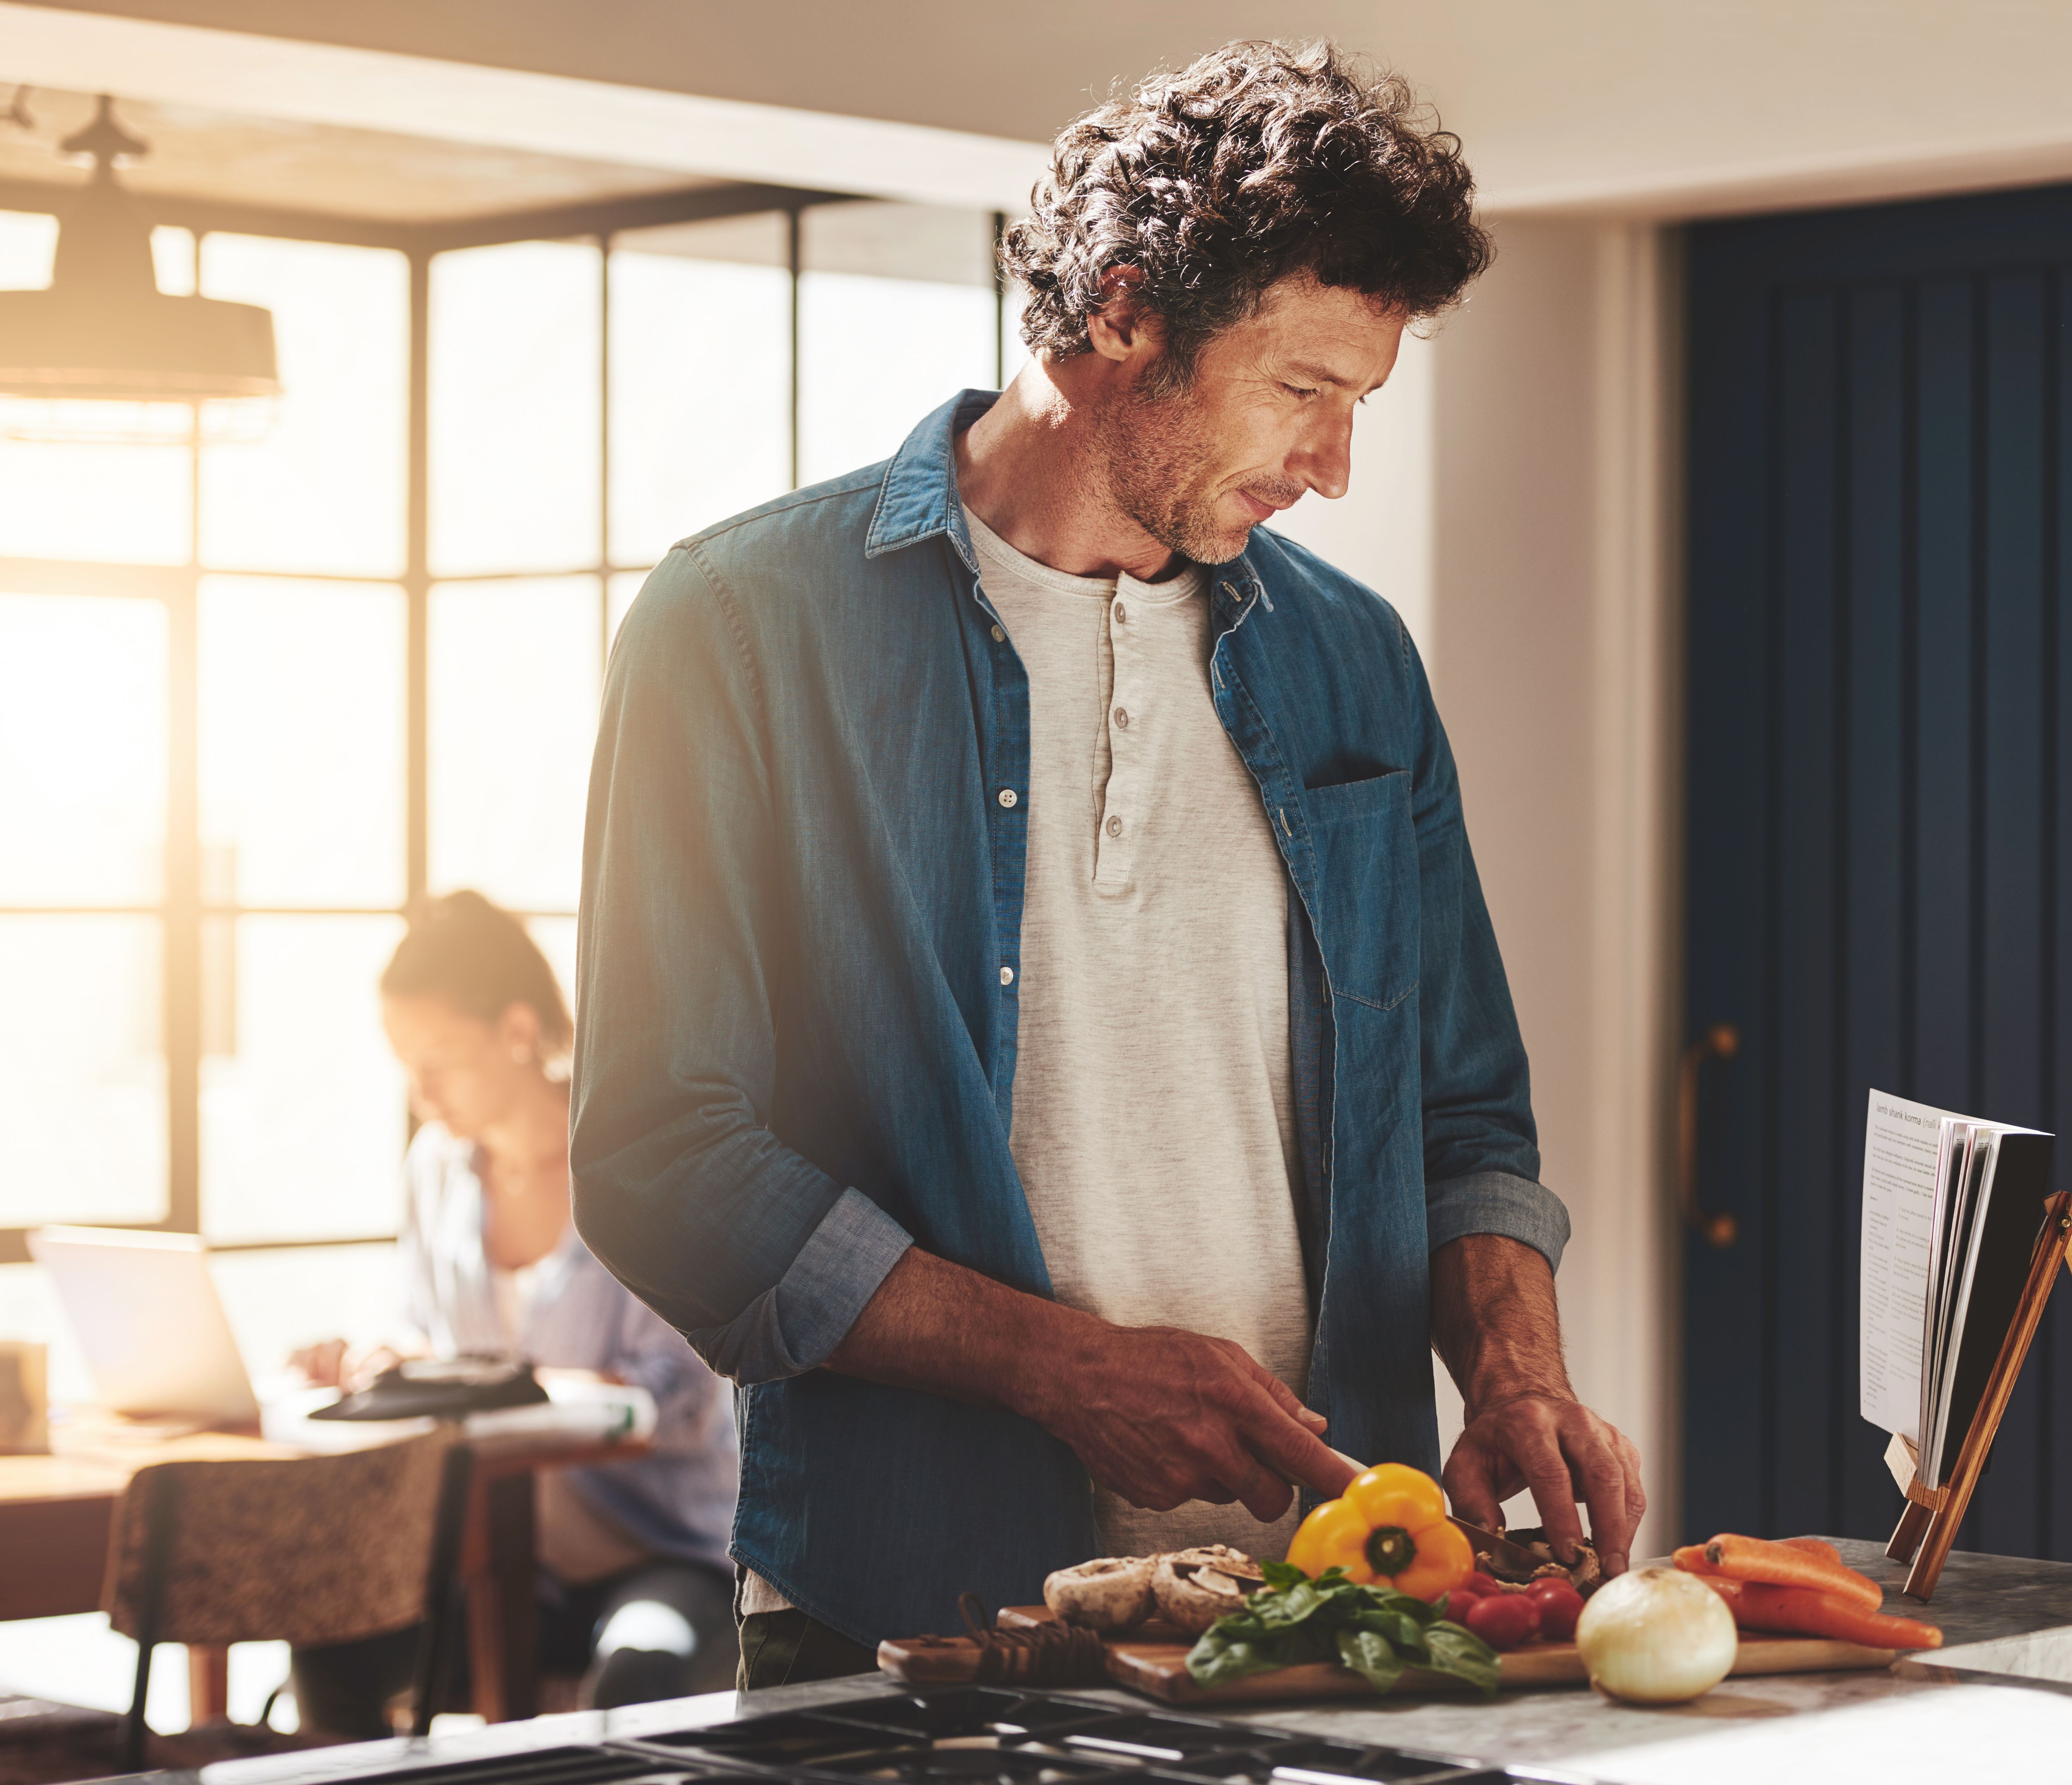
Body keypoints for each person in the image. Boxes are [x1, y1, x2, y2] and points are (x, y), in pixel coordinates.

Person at [572, 40, 1645, 1686]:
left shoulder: (1353, 661)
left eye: (1359, 406)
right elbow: (661, 1156)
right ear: (1125, 312)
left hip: (1324, 1614)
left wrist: (1510, 1367)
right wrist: (1056, 1368)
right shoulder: (740, 628)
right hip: (918, 1615)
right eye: (1302, 392)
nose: (1331, 467)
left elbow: (1458, 1109)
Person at [288, 892, 738, 1731]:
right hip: (500, 1561)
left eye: (441, 1059)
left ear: (519, 1033)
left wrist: (487, 1386)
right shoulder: (436, 1168)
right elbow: (426, 1329)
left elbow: (679, 1396)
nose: (422, 1092)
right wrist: (387, 1359)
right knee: (332, 1647)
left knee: (638, 1677)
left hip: (662, 1555)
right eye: (405, 1063)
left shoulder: (634, 1165)